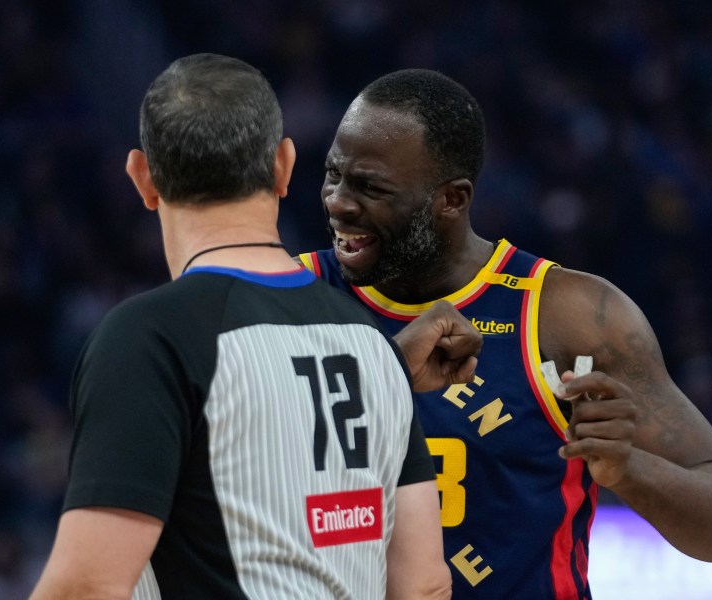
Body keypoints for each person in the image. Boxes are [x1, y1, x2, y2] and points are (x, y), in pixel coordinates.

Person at [298, 68, 712, 598]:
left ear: (452, 199)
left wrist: (628, 469)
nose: (337, 201)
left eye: (370, 187)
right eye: (333, 174)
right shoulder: (284, 297)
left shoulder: (568, 317)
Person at [29, 54, 482, 600]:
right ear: (284, 167)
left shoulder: (149, 339)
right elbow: (424, 586)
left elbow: (87, 586)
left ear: (143, 179)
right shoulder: (373, 347)